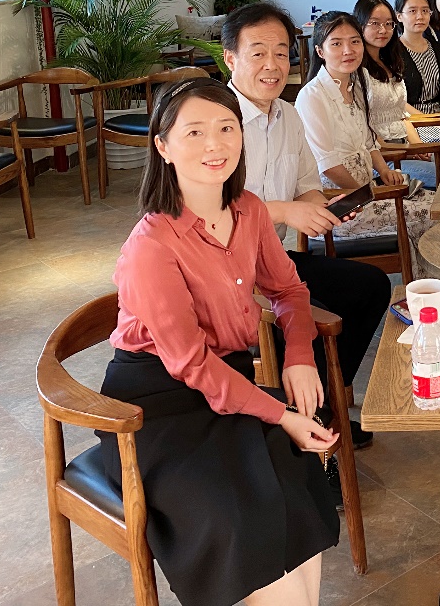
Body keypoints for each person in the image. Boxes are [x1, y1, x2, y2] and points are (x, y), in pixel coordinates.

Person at [101, 78, 339, 606]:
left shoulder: (249, 210)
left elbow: (289, 291)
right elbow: (190, 364)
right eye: (195, 132)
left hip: (227, 382)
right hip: (154, 406)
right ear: (163, 147)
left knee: (294, 473)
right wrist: (279, 413)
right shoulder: (151, 245)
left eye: (227, 128)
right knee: (233, 510)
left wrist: (299, 357)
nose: (215, 144)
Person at [222, 2, 390, 454]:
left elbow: (306, 188)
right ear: (230, 59)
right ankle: (306, 432)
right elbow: (210, 211)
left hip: (270, 262)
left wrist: (323, 209)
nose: (272, 65)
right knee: (312, 317)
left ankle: (324, 407)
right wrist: (283, 212)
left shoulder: (288, 115)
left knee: (370, 287)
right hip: (223, 273)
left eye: (281, 52)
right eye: (258, 53)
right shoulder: (216, 121)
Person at [296, 11, 435, 247]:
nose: (348, 50)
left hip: (367, 191)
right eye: (336, 44)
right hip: (341, 207)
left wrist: (384, 171)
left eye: (354, 41)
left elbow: (369, 142)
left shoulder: (357, 83)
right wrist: (368, 195)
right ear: (320, 51)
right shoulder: (312, 96)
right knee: (434, 214)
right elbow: (328, 165)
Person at [354, 0, 418, 144]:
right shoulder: (356, 69)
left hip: (403, 141)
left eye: (388, 23)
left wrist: (418, 147)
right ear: (360, 25)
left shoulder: (389, 62)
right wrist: (404, 151)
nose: (383, 30)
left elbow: (401, 115)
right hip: (381, 150)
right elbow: (363, 127)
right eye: (375, 23)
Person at [395, 0, 440, 117]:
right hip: (410, 121)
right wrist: (429, 121)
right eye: (413, 11)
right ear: (399, 16)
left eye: (425, 11)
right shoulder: (393, 51)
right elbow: (398, 101)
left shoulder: (436, 47)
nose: (420, 16)